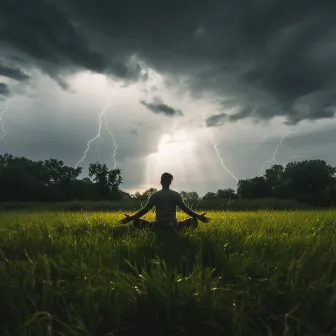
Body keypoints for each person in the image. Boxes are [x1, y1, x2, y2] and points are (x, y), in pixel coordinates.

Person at [119, 172, 210, 230]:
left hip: (158, 227)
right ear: (170, 183)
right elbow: (186, 209)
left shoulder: (155, 195)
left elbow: (144, 210)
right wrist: (198, 216)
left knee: (136, 222)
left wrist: (131, 218)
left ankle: (155, 231)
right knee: (194, 221)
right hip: (174, 227)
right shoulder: (176, 195)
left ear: (161, 182)